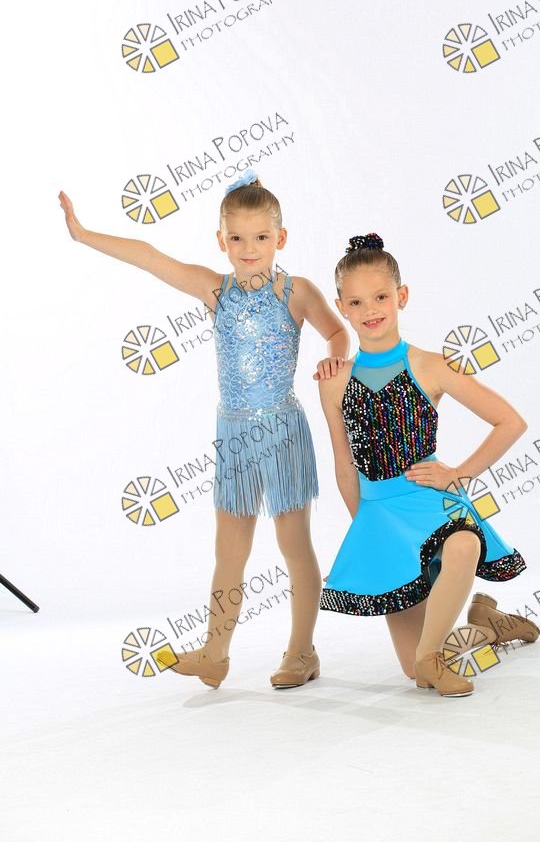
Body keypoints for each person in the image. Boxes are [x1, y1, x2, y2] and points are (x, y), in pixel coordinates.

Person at [58, 169, 349, 690]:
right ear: (221, 241)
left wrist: (334, 360)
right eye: (236, 238)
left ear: (280, 238)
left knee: (294, 544)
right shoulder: (216, 290)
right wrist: (84, 234)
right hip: (235, 434)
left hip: (281, 432)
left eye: (260, 237)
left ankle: (302, 651)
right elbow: (152, 258)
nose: (248, 248)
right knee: (229, 550)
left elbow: (336, 332)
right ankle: (215, 654)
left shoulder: (297, 291)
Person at [318, 232, 538, 698]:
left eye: (380, 296)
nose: (370, 309)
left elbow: (510, 422)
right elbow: (343, 464)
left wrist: (458, 473)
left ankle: (433, 655)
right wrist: (366, 530)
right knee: (413, 671)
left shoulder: (431, 366)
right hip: (380, 514)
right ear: (342, 308)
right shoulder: (334, 382)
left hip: (431, 502)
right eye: (356, 302)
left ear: (401, 296)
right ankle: (488, 623)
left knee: (463, 544)